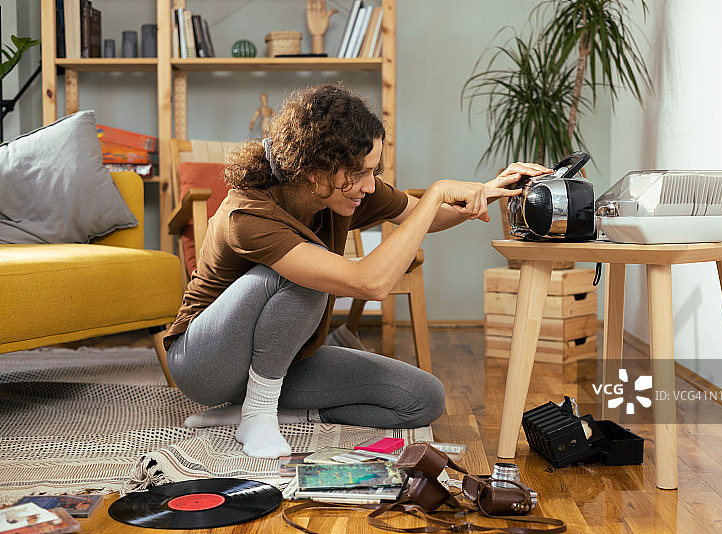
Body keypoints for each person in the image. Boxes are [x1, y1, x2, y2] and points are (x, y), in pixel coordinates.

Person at [163, 83, 550, 458]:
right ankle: (258, 413)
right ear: (316, 170)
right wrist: (434, 192)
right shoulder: (246, 213)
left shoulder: (343, 189)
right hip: (205, 363)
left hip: (284, 358)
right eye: (360, 172)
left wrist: (488, 189)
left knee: (422, 399)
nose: (369, 184)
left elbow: (424, 218)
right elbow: (368, 282)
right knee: (301, 272)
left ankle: (258, 408)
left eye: (373, 170)